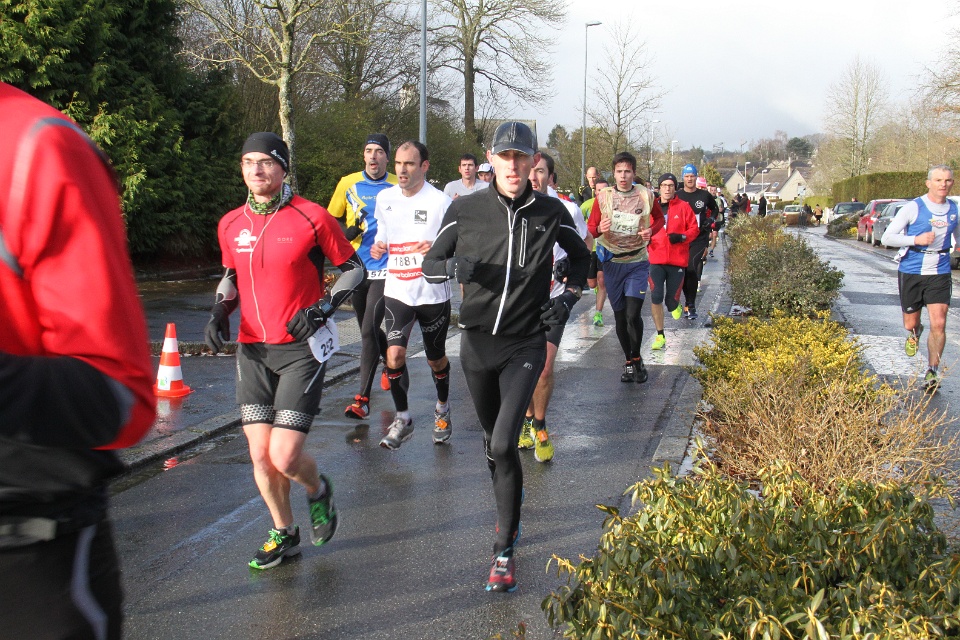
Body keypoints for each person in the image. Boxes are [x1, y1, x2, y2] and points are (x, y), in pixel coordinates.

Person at [0, 82, 157, 639]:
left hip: (26, 551)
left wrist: (323, 305)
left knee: (279, 453)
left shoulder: (37, 146)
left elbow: (122, 396)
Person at [422, 121, 590, 593]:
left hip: (525, 343)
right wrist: (450, 266)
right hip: (476, 344)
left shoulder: (551, 211)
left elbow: (583, 259)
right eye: (505, 157)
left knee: (502, 445)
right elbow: (429, 263)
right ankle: (508, 501)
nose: (514, 166)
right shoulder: (465, 208)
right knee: (492, 447)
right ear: (491, 160)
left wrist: (567, 297)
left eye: (522, 157)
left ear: (534, 161)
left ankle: (503, 549)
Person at [205, 132, 366, 569]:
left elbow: (354, 269)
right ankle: (284, 532)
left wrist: (321, 308)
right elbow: (231, 275)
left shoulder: (312, 216)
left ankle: (318, 490)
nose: (256, 170)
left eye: (266, 162)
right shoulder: (230, 223)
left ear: (282, 167)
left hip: (300, 350)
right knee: (260, 454)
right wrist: (219, 309)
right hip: (253, 351)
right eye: (248, 162)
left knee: (284, 455)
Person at [368, 141, 454, 449]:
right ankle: (403, 418)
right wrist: (379, 245)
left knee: (435, 360)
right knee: (394, 356)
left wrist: (438, 247)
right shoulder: (385, 198)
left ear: (424, 166)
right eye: (399, 164)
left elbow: (457, 243)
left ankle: (442, 408)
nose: (402, 170)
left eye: (409, 164)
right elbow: (383, 232)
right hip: (398, 290)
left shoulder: (441, 201)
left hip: (432, 293)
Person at [516, 152, 590, 463]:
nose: (534, 177)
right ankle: (526, 419)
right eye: (531, 171)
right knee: (523, 367)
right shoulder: (513, 207)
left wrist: (570, 274)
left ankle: (540, 424)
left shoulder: (567, 209)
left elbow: (584, 246)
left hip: (553, 298)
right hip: (520, 301)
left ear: (550, 176)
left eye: (540, 172)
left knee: (545, 367)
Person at [328, 134, 397, 420]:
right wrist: (346, 235)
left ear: (387, 157)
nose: (373, 156)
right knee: (366, 329)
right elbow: (330, 222)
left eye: (379, 151)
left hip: (386, 268)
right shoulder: (348, 183)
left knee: (368, 329)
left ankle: (363, 399)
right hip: (357, 268)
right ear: (363, 156)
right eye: (369, 150)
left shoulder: (398, 184)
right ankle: (389, 363)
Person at [879, 165, 960, 392]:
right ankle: (915, 332)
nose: (943, 184)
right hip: (912, 269)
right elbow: (887, 237)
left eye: (947, 180)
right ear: (928, 183)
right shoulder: (913, 207)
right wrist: (916, 239)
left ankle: (932, 371)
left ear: (952, 183)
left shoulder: (954, 209)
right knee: (910, 323)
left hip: (940, 271)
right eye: (938, 180)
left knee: (940, 322)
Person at [587, 152, 664, 383]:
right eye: (619, 171)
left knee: (632, 314)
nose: (623, 176)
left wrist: (650, 231)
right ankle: (629, 360)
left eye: (627, 171)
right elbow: (591, 228)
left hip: (637, 262)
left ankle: (637, 358)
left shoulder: (645, 195)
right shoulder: (604, 197)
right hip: (612, 263)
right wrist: (599, 228)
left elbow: (659, 220)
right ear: (614, 173)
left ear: (634, 173)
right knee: (620, 317)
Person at [647, 173, 699, 350]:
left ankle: (675, 305)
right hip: (656, 258)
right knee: (656, 296)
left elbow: (694, 229)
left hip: (677, 260)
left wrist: (682, 237)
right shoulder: (651, 207)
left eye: (670, 185)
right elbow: (642, 226)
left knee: (670, 302)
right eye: (664, 185)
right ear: (659, 187)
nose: (667, 188)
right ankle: (660, 335)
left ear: (675, 188)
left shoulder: (684, 207)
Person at [674, 164, 718, 320]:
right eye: (687, 176)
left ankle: (691, 304)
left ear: (696, 177)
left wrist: (711, 219)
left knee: (692, 268)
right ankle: (685, 301)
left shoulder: (704, 195)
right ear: (683, 178)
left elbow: (715, 209)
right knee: (683, 272)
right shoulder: (677, 195)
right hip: (681, 238)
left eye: (692, 176)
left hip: (699, 238)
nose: (689, 179)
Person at [582, 179, 611, 326]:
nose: (602, 193)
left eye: (605, 190)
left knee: (601, 281)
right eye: (599, 190)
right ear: (595, 191)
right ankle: (598, 289)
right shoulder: (587, 205)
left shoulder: (614, 205)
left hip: (604, 248)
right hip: (591, 247)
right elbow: (578, 224)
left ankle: (598, 314)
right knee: (592, 283)